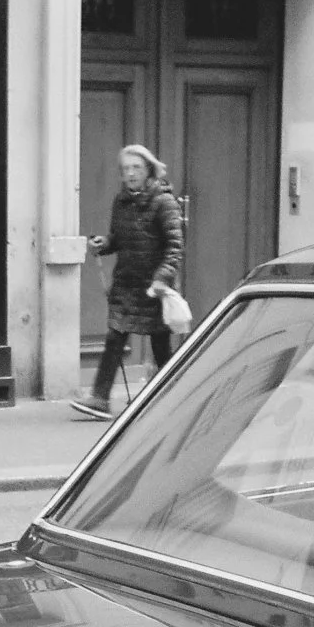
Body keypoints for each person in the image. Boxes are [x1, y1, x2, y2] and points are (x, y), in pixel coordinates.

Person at [71, 144, 185, 420]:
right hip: (126, 283)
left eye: (136, 168)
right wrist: (105, 244)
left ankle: (173, 397)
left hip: (153, 286)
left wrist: (162, 279)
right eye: (125, 169)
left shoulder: (164, 202)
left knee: (160, 345)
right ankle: (100, 398)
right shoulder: (120, 202)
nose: (130, 173)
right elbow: (119, 239)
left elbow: (174, 246)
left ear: (148, 170)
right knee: (115, 337)